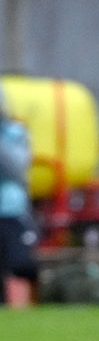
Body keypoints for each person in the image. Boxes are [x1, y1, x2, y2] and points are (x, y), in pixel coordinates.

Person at [0, 86, 39, 305]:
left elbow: (17, 168)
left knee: (20, 263)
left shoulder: (14, 133)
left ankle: (40, 298)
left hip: (9, 209)